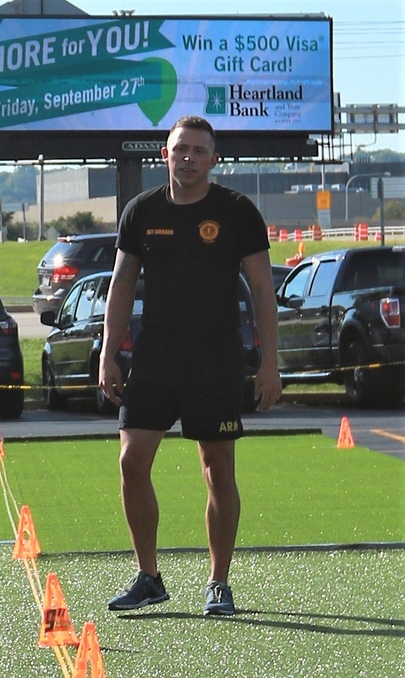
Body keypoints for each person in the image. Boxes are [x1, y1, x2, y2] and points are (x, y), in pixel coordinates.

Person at [98, 115, 280, 617]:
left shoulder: (238, 212)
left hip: (216, 358)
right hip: (155, 356)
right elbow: (121, 284)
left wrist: (269, 362)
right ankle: (149, 577)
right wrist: (110, 352)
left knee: (217, 468)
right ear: (166, 154)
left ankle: (218, 583)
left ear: (213, 158)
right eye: (181, 149)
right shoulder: (141, 211)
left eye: (199, 150)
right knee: (131, 461)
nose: (189, 158)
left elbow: (264, 292)